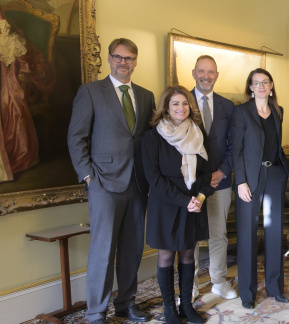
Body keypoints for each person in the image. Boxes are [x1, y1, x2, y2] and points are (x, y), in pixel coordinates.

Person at [67, 38, 154, 324]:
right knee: (103, 251)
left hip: (138, 184)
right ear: (109, 58)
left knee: (132, 250)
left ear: (135, 61)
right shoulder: (91, 92)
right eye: (118, 57)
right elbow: (76, 137)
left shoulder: (145, 95)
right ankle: (96, 312)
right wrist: (88, 176)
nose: (123, 62)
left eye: (129, 58)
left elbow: (148, 139)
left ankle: (125, 304)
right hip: (103, 184)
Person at [142, 85, 211, 323]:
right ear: (166, 108)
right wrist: (185, 201)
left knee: (187, 255)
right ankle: (170, 309)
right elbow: (154, 178)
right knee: (166, 256)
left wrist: (199, 199)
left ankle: (186, 307)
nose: (181, 108)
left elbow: (206, 173)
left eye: (184, 103)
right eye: (175, 104)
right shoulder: (152, 137)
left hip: (193, 204)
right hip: (166, 205)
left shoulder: (198, 133)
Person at [232, 68, 289, 309]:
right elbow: (235, 150)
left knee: (274, 232)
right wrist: (240, 181)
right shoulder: (241, 112)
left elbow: (276, 147)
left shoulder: (278, 111)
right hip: (250, 178)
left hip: (275, 174)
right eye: (256, 83)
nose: (260, 86)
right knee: (247, 234)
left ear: (271, 85)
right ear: (250, 88)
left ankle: (275, 287)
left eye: (264, 82)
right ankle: (247, 293)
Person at [189, 55, 236, 301]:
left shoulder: (228, 106)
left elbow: (233, 145)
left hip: (220, 181)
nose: (206, 76)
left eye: (211, 72)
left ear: (216, 75)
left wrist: (222, 171)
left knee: (218, 234)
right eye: (201, 71)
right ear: (194, 73)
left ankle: (218, 281)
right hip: (191, 183)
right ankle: (191, 286)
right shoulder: (181, 102)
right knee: (192, 237)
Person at [0, 7, 56, 181]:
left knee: (11, 98)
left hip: (10, 76)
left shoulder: (9, 37)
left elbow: (16, 59)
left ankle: (14, 156)